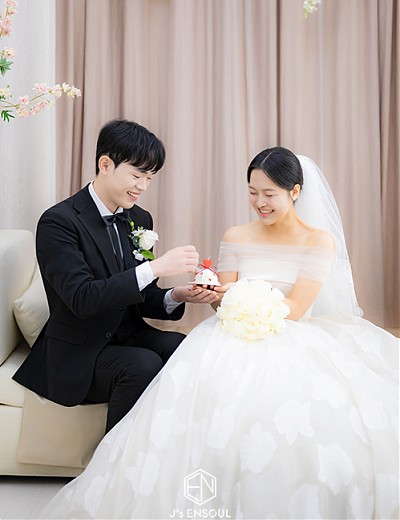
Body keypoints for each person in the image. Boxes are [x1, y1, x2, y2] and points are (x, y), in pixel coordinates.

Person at [41, 147, 398, 520]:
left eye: (269, 194)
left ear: (295, 192)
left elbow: (295, 308)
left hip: (291, 330)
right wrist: (212, 295)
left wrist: (237, 297)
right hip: (231, 328)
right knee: (195, 377)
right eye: (252, 192)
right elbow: (221, 301)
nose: (259, 202)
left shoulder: (318, 241)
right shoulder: (236, 235)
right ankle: (135, 472)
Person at [13, 119, 218, 433]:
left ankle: (171, 442)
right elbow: (82, 299)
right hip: (79, 351)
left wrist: (177, 295)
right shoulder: (58, 222)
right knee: (142, 365)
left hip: (128, 334)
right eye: (136, 175)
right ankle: (114, 458)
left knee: (185, 348)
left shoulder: (139, 219)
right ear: (105, 164)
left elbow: (142, 296)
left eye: (149, 178)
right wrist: (154, 267)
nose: (143, 187)